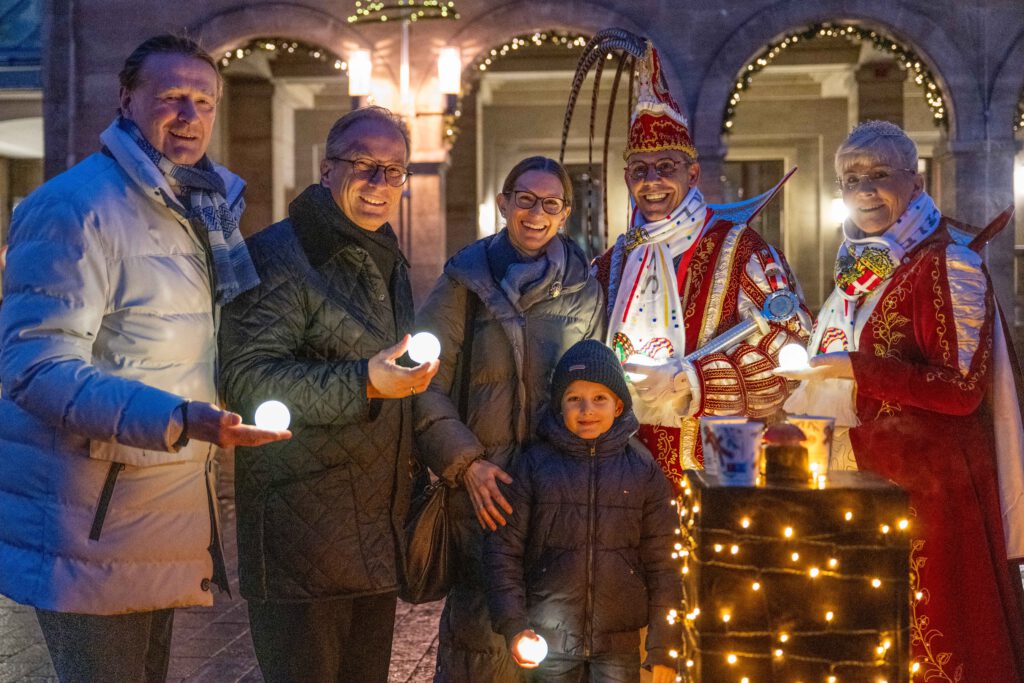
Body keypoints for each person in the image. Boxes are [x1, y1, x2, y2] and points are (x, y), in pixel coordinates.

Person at [0, 34, 289, 682]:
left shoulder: (200, 210)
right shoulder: (76, 207)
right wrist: (176, 416)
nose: (190, 116)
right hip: (91, 524)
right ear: (126, 98)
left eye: (204, 101)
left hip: (161, 512)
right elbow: (34, 366)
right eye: (172, 98)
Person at [779, 120, 1024, 681]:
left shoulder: (948, 263)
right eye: (851, 179)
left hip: (936, 496)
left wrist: (854, 369)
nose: (864, 190)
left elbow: (962, 391)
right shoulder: (866, 265)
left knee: (933, 639)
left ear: (914, 183)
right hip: (873, 483)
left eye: (879, 176)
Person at [218, 106, 438, 683]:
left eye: (393, 170)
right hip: (301, 539)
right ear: (326, 170)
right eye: (363, 164)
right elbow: (247, 379)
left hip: (372, 532)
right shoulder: (279, 255)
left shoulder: (383, 253)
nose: (378, 183)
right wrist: (364, 380)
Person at [414, 156, 606, 682]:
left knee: (555, 637)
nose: (536, 213)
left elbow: (593, 391)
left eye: (550, 204)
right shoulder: (464, 279)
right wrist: (465, 464)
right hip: (485, 492)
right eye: (525, 199)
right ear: (503, 203)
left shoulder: (584, 290)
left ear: (564, 213)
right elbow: (421, 382)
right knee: (481, 644)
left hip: (555, 493)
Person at [592, 41, 811, 486]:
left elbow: (792, 351)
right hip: (623, 459)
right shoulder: (613, 261)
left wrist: (691, 378)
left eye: (666, 167)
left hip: (718, 459)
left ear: (693, 174)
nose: (652, 182)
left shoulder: (743, 250)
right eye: (640, 170)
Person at [483, 339, 680, 683]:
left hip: (618, 646)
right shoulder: (535, 466)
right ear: (560, 406)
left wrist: (662, 644)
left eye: (599, 398)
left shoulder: (642, 470)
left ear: (618, 406)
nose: (587, 409)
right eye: (574, 399)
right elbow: (503, 551)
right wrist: (514, 626)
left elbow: (664, 562)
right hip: (548, 643)